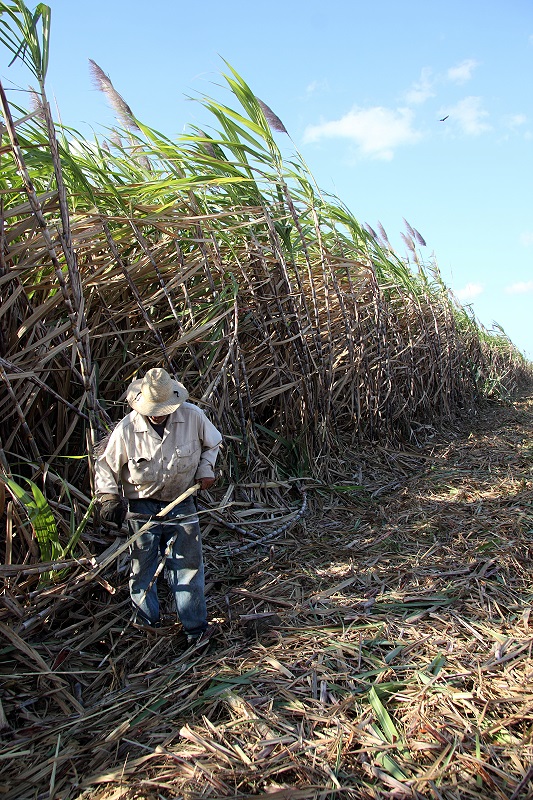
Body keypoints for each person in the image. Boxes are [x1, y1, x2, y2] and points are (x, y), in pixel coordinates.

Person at [94, 368, 222, 645]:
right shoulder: (128, 428)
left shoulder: (193, 417)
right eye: (152, 409)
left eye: (162, 409)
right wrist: (108, 497)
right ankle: (146, 631)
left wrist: (205, 469)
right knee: (143, 569)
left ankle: (195, 631)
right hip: (141, 507)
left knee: (188, 567)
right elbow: (105, 465)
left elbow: (213, 444)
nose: (157, 414)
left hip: (182, 501)